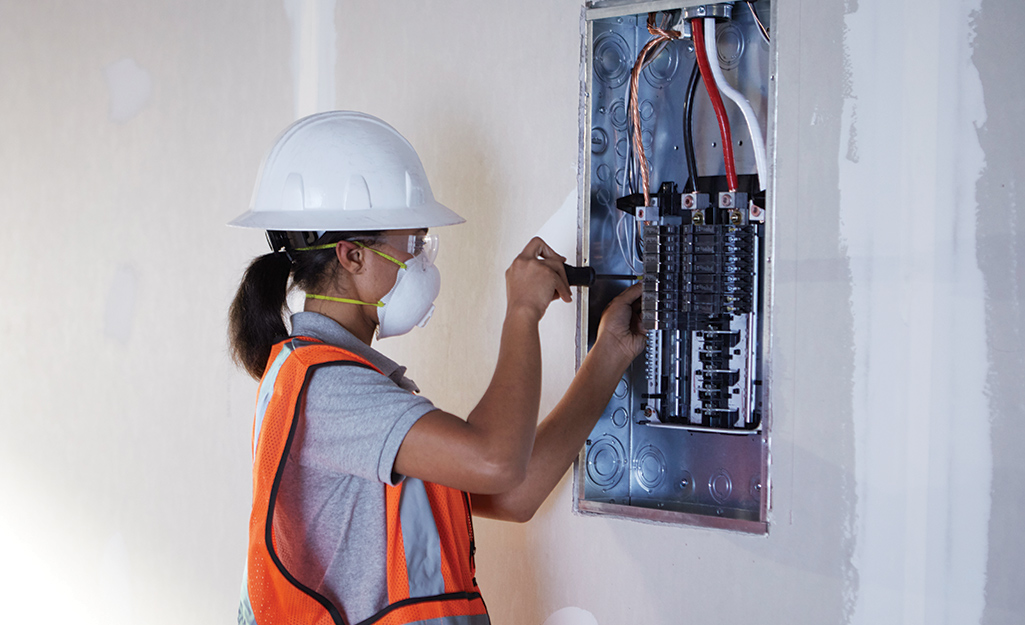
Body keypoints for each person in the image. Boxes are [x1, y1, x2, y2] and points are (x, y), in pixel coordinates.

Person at [229, 111, 644, 625]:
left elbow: (513, 490)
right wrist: (521, 312)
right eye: (414, 243)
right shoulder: (328, 389)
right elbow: (497, 460)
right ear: (351, 256)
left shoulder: (342, 381)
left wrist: (611, 353)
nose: (424, 259)